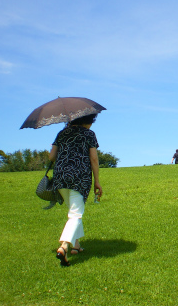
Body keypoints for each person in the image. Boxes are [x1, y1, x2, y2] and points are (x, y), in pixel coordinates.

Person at [49, 113, 102, 266]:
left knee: (73, 211)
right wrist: (97, 181)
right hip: (80, 177)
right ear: (86, 121)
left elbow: (51, 157)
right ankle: (64, 246)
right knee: (76, 214)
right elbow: (93, 158)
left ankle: (76, 246)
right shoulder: (89, 134)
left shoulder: (61, 133)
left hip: (60, 176)